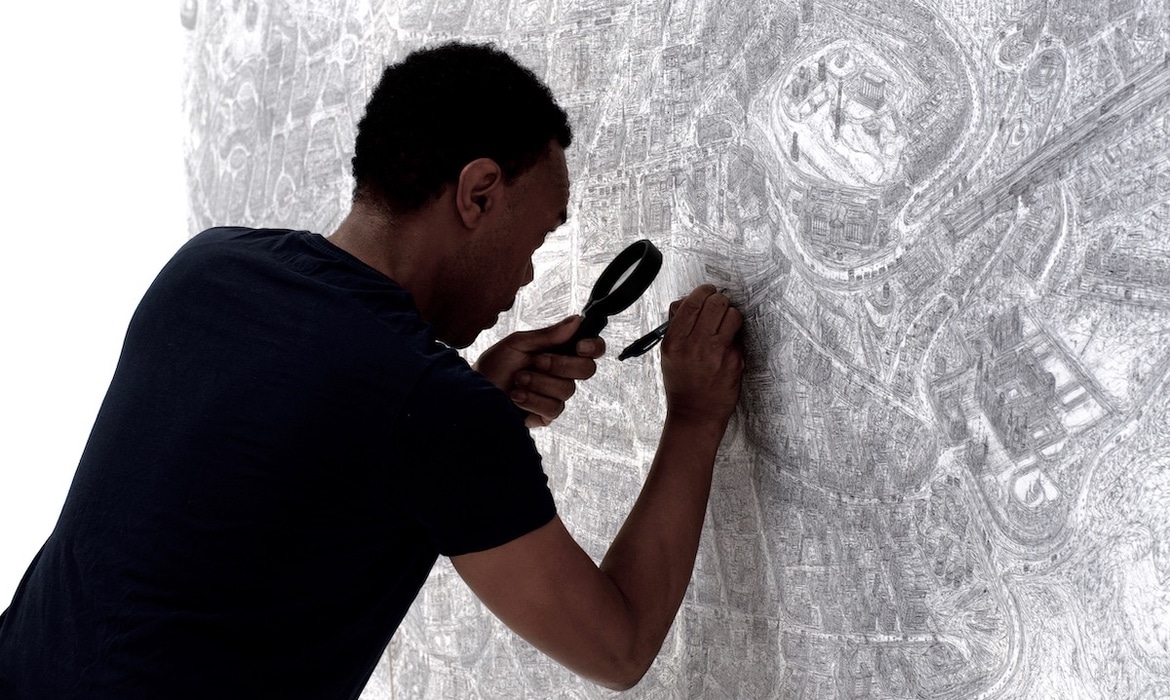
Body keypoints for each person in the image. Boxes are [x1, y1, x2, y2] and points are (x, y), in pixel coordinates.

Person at [0, 42, 743, 698]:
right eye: (539, 237)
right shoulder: (430, 411)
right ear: (478, 192)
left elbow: (299, 449)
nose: (525, 275)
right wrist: (694, 416)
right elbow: (617, 647)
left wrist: (470, 399)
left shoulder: (205, 268)